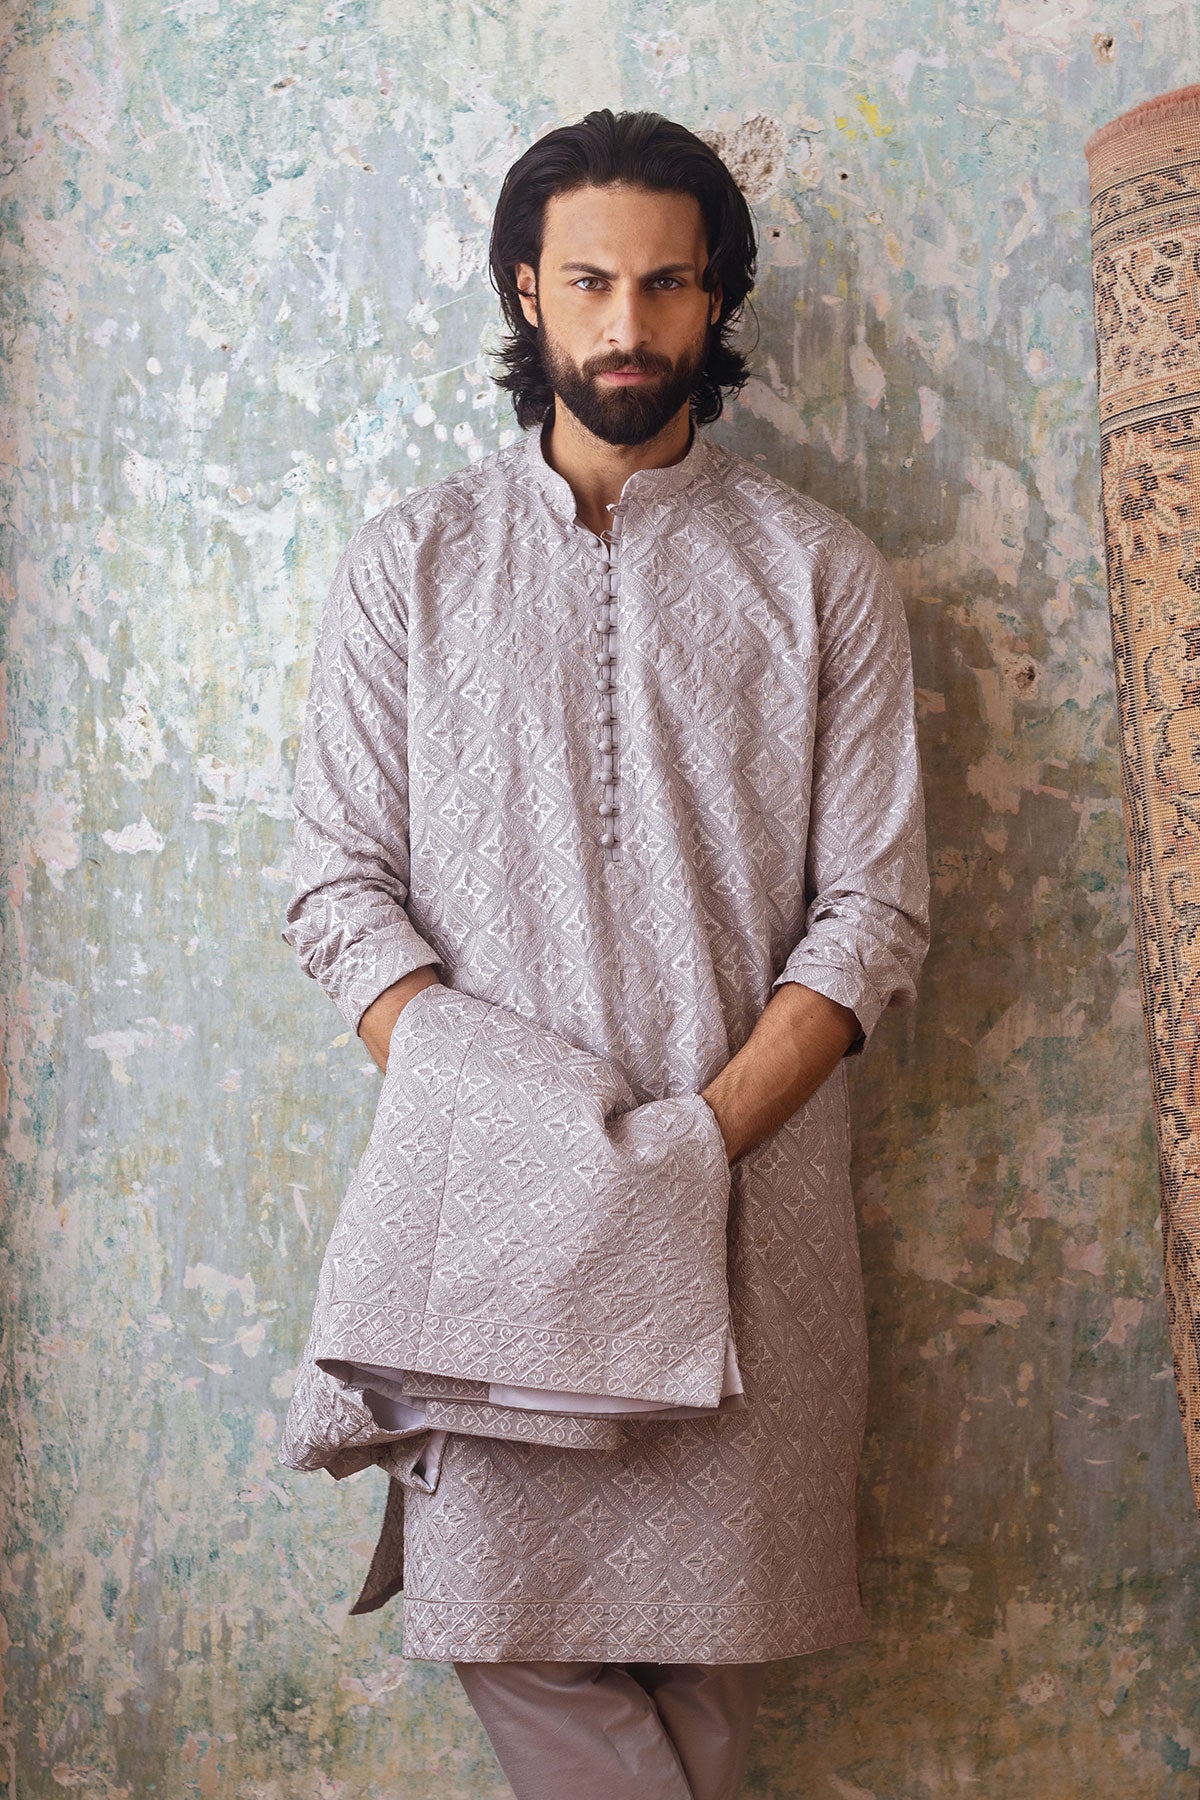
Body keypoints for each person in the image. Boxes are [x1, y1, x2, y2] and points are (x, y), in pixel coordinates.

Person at [282, 107, 929, 1800]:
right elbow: (338, 892)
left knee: (708, 1665)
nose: (627, 324)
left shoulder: (820, 574)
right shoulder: (411, 565)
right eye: (588, 282)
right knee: (509, 1622)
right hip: (490, 1222)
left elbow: (873, 916)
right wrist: (528, 1144)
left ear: (716, 300)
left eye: (665, 284)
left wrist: (692, 1145)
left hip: (748, 1220)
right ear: (527, 290)